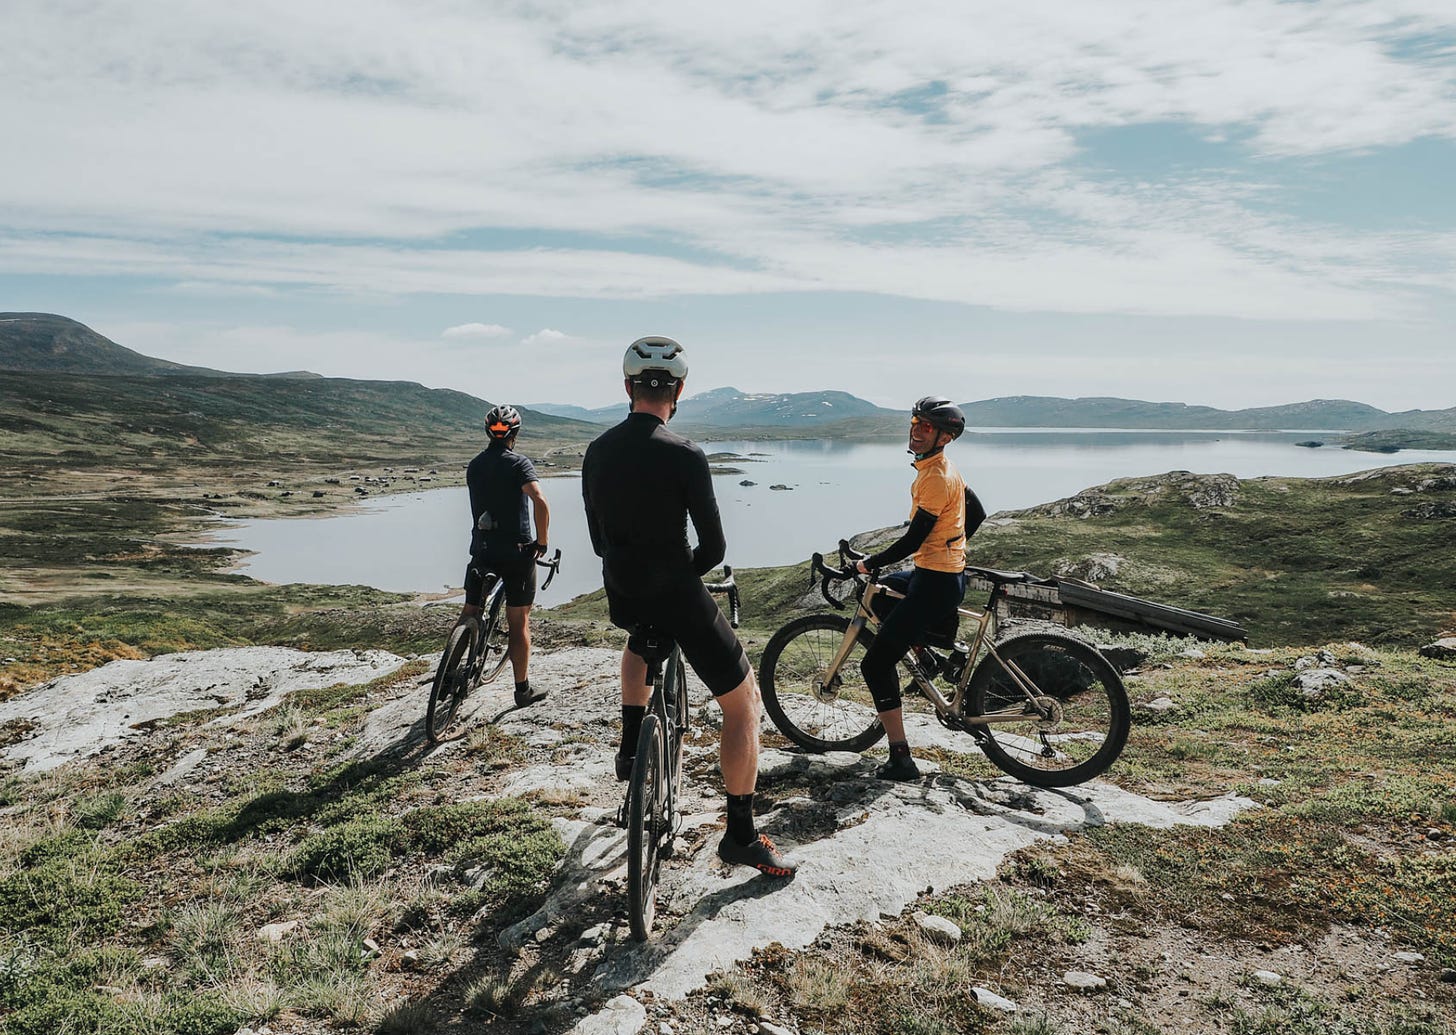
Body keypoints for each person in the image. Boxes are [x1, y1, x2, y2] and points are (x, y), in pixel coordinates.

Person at [582, 336, 795, 877]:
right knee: (743, 701)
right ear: (679, 390)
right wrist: (678, 577)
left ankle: (631, 748)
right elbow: (715, 549)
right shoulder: (685, 454)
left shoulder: (597, 451)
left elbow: (599, 541)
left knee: (638, 641)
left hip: (622, 592)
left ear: (627, 387)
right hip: (676, 592)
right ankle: (742, 835)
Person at [853, 395, 983, 781]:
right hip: (938, 574)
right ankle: (926, 655)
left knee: (874, 664)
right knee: (887, 591)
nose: (916, 430)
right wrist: (953, 547)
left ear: (944, 437)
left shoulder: (937, 478)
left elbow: (912, 540)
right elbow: (976, 512)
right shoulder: (943, 470)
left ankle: (901, 758)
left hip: (937, 582)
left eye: (926, 427)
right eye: (914, 423)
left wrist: (868, 563)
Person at [463, 403, 551, 708]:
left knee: (469, 611)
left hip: (482, 550)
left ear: (489, 431)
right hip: (517, 553)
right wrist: (542, 541)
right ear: (515, 433)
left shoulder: (474, 465)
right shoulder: (519, 464)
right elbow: (539, 500)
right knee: (519, 622)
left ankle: (450, 674)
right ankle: (522, 690)